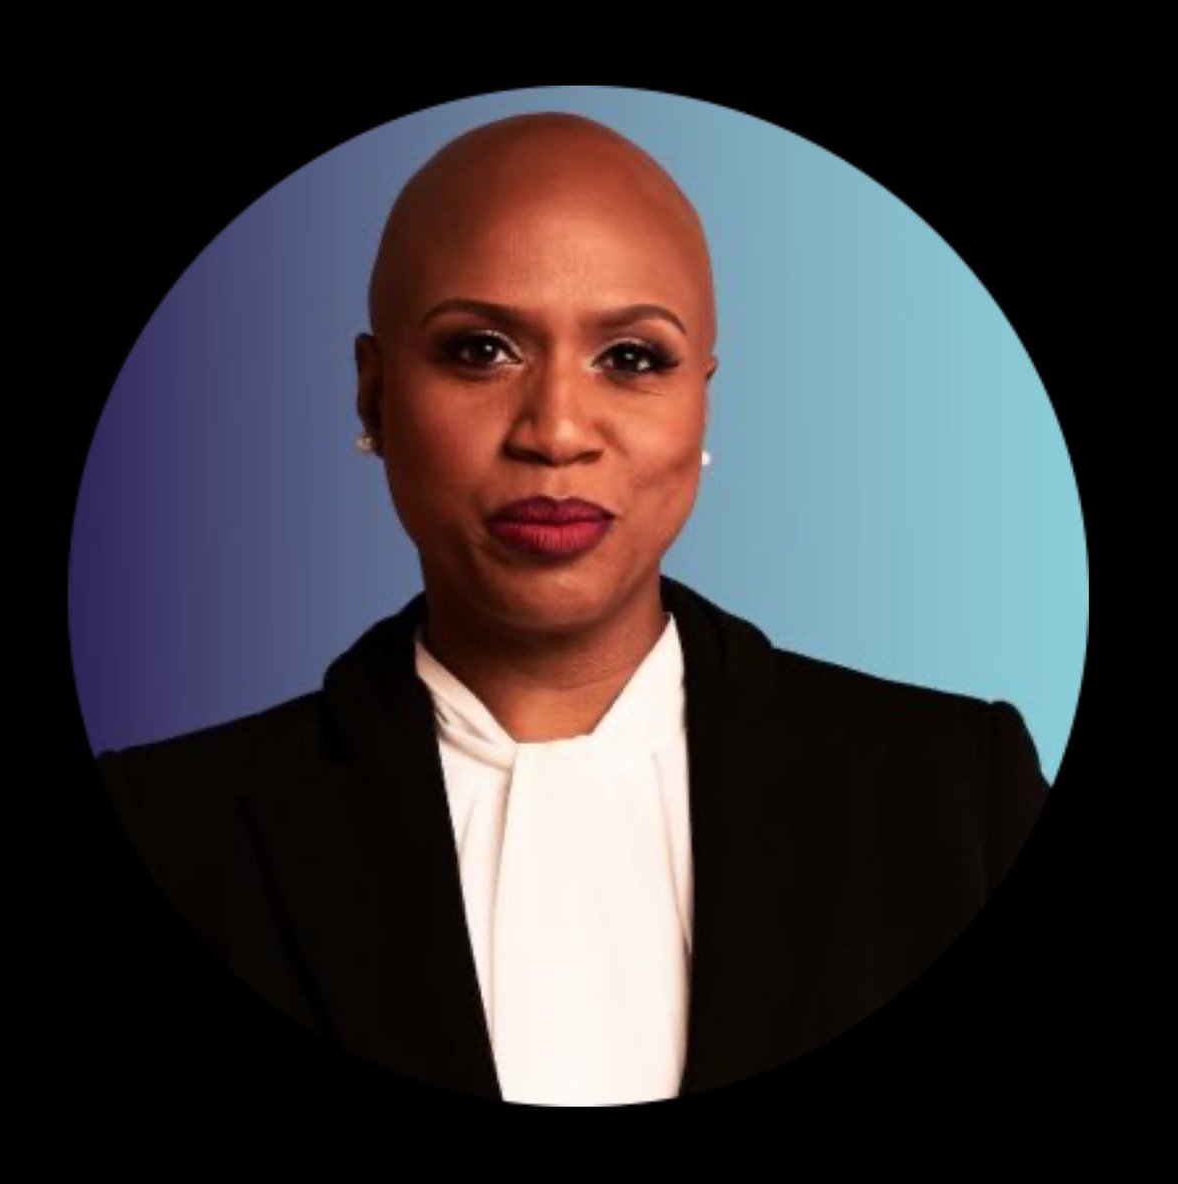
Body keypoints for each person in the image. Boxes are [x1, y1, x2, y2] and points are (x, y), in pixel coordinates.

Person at [94, 111, 1050, 1107]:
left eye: (631, 358)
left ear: (702, 400)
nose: (555, 431)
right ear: (374, 397)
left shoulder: (959, 800)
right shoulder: (167, 830)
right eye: (481, 349)